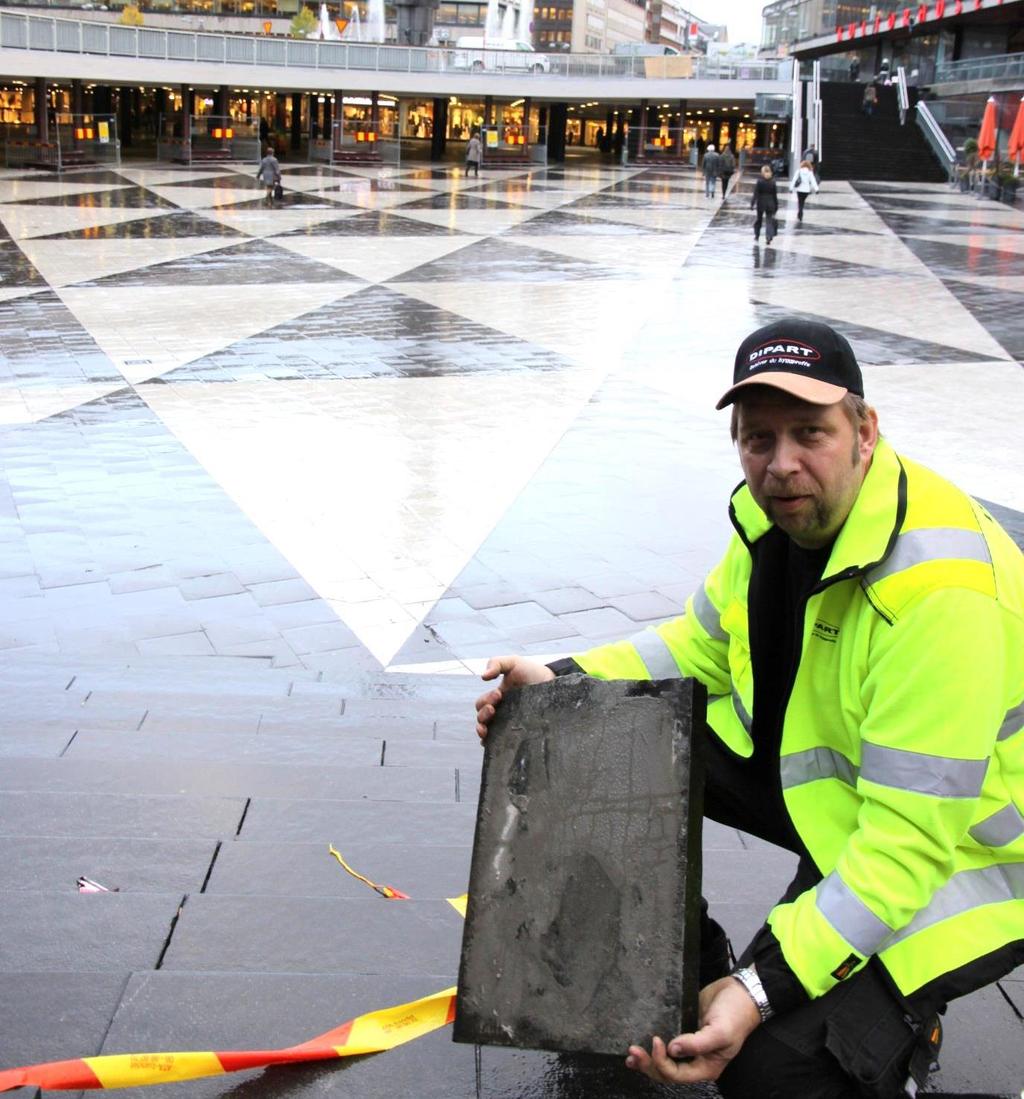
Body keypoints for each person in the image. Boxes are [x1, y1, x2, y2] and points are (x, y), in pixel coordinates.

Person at [474, 317, 1024, 1099]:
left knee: (768, 1068)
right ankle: (676, 975)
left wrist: (760, 987)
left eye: (811, 432)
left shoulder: (940, 591)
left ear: (865, 431)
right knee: (587, 736)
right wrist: (560, 683)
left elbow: (904, 848)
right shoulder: (775, 522)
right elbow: (694, 647)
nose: (782, 465)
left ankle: (887, 1028)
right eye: (758, 439)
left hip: (973, 858)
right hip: (841, 802)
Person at [750, 163, 778, 245]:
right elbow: (775, 195)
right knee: (769, 221)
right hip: (771, 203)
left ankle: (757, 235)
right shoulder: (773, 182)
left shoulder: (760, 181)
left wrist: (752, 203)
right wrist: (776, 205)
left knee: (759, 220)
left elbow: (756, 193)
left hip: (761, 203)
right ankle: (768, 236)